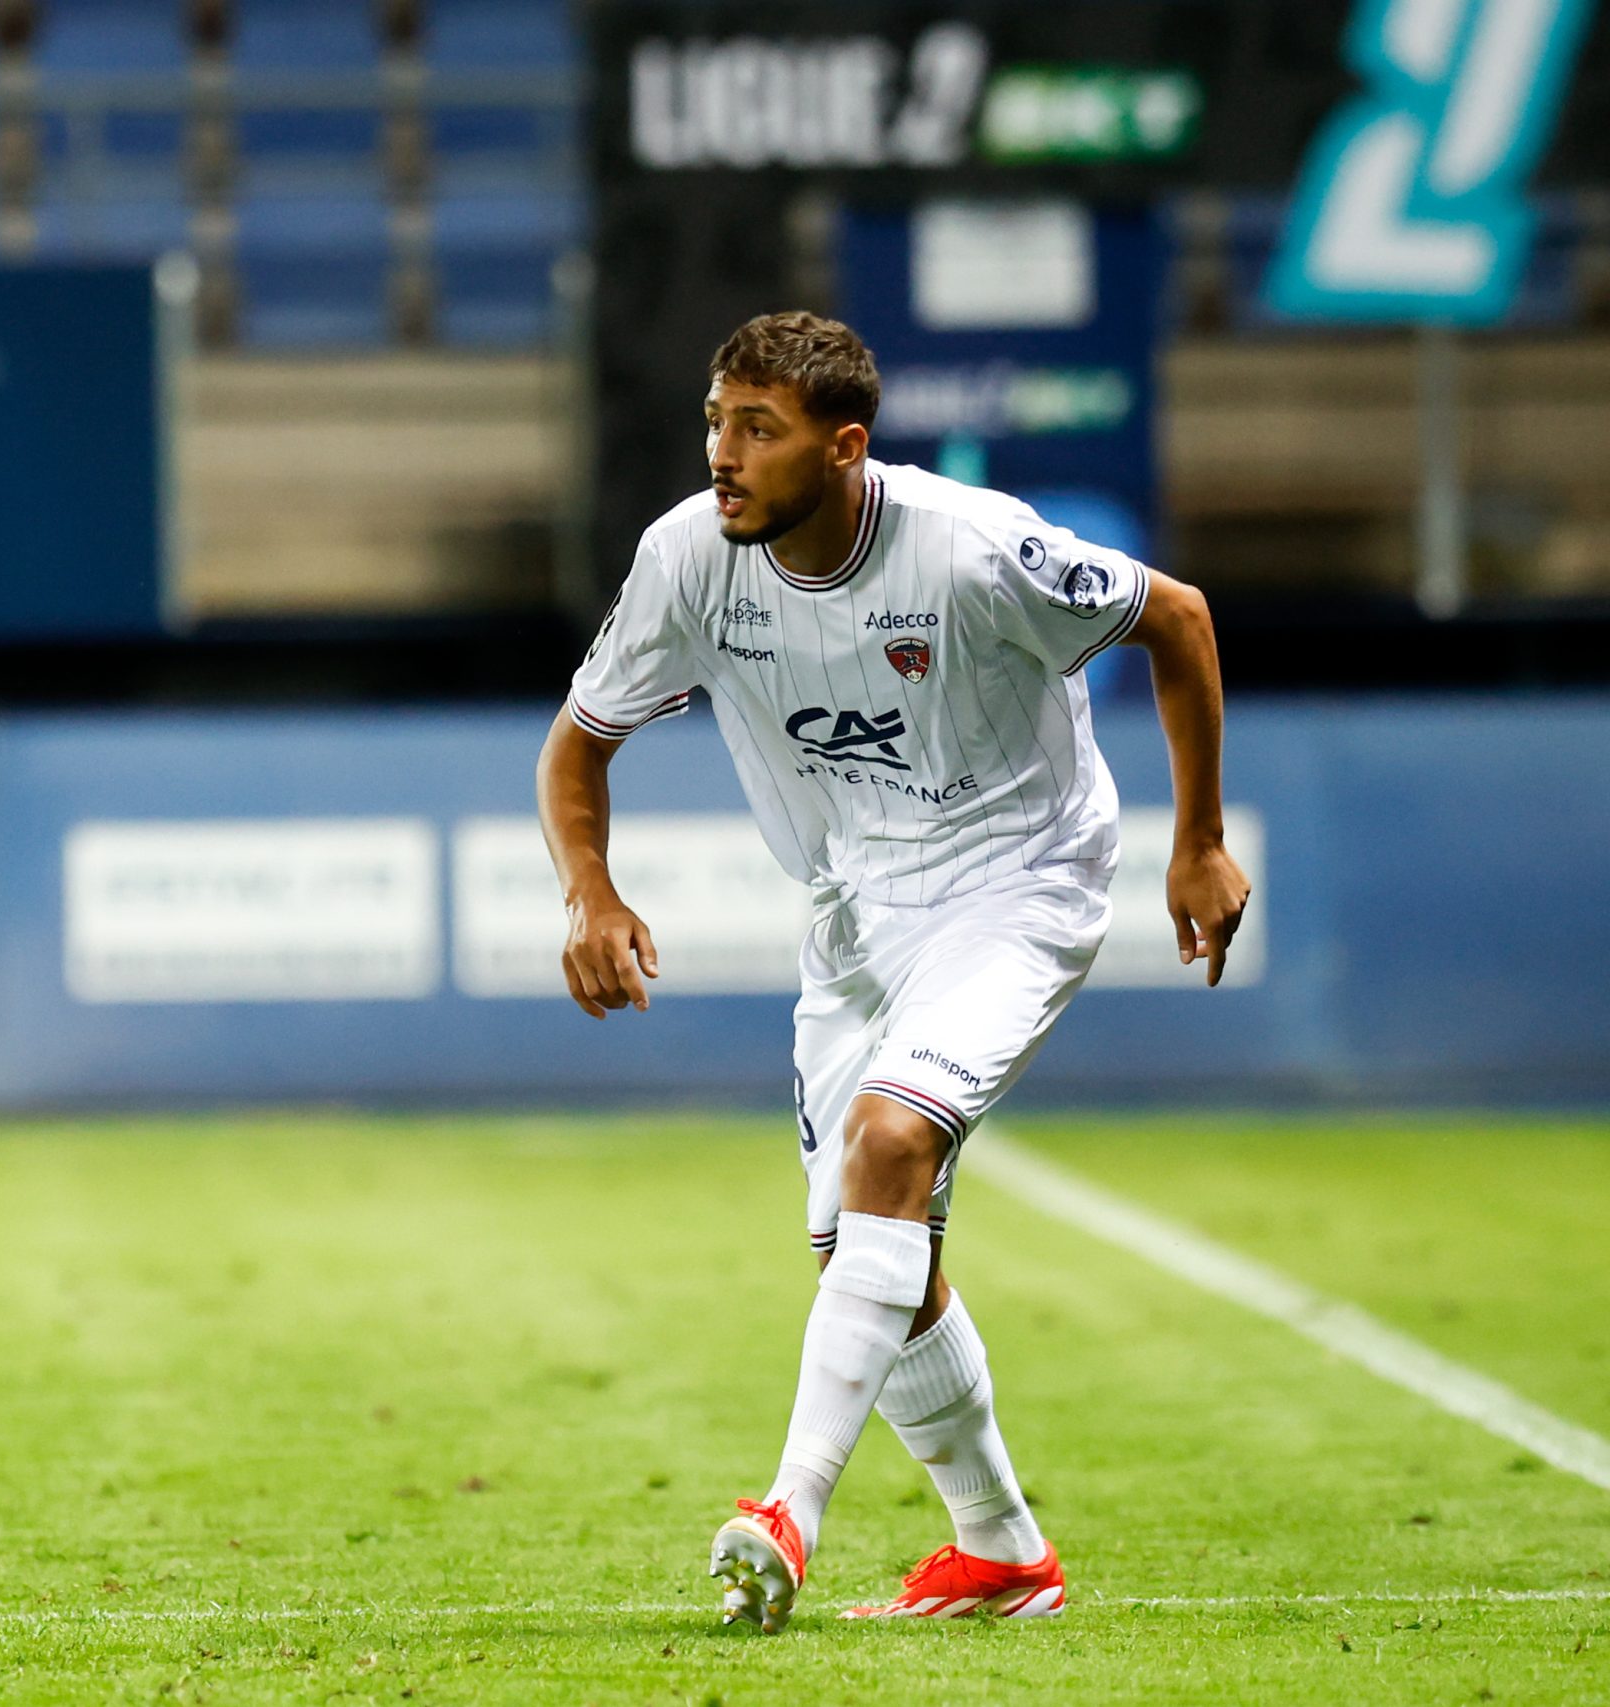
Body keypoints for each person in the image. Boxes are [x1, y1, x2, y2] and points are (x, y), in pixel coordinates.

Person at [534, 310, 1248, 1631]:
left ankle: (786, 1515)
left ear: (843, 446)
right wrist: (591, 890)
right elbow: (579, 746)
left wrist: (1195, 840)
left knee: (888, 1145)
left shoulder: (975, 550)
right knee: (870, 1255)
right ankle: (1002, 1552)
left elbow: (1180, 618)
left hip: (1016, 879)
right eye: (714, 421)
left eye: (759, 429)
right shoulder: (689, 560)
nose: (723, 456)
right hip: (854, 914)